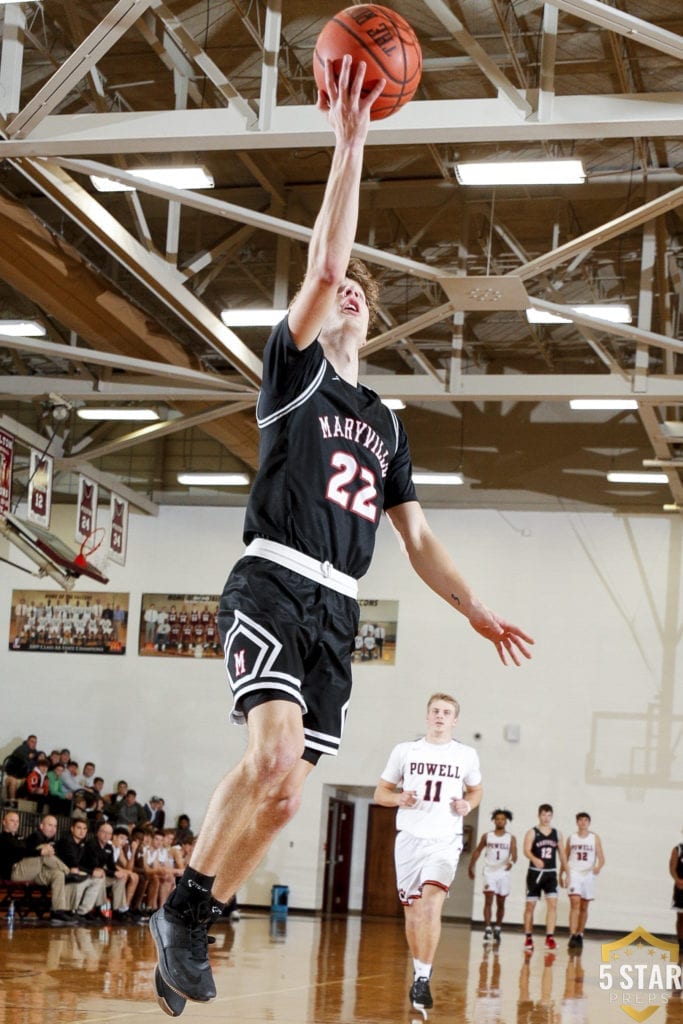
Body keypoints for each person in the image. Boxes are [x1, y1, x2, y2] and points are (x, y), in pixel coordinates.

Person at [149, 54, 533, 1017]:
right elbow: (325, 262)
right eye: (341, 287)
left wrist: (477, 609)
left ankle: (193, 906)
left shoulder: (390, 421)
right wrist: (350, 144)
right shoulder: (296, 373)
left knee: (285, 794)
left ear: (380, 317)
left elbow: (418, 540)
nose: (350, 288)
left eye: (364, 289)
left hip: (340, 609)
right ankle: (185, 912)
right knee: (272, 760)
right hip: (273, 579)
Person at [373, 693, 483, 1011]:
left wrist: (468, 804)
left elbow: (476, 790)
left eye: (446, 712)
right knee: (414, 911)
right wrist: (398, 799)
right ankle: (420, 969)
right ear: (427, 716)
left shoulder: (465, 754)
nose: (440, 716)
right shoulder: (405, 751)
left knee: (431, 904)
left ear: (455, 720)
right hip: (409, 839)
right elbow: (381, 792)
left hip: (445, 840)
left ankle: (422, 978)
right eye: (435, 711)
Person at [0, 810, 74, 923]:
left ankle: (58, 912)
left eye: (17, 821)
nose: (15, 823)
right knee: (42, 850)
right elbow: (22, 851)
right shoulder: (2, 838)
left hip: (29, 871)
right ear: (4, 822)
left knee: (57, 874)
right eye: (12, 820)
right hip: (14, 872)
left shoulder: (20, 837)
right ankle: (69, 873)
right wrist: (41, 852)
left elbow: (27, 851)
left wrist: (41, 851)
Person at [523, 804, 567, 953]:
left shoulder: (557, 833)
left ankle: (550, 937)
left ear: (552, 816)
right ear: (539, 815)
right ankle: (528, 937)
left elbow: (562, 854)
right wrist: (534, 858)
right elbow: (526, 850)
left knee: (552, 905)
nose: (546, 818)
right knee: (530, 906)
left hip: (550, 873)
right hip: (535, 874)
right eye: (543, 815)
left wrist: (567, 872)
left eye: (549, 815)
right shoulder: (532, 832)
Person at [468, 808, 517, 944]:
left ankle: (498, 928)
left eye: (502, 819)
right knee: (488, 900)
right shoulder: (487, 836)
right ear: (494, 821)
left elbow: (515, 854)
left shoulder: (510, 838)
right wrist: (470, 866)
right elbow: (477, 851)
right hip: (490, 872)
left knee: (501, 902)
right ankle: (488, 928)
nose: (500, 821)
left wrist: (511, 862)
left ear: (506, 821)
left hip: (503, 873)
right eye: (498, 819)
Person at [566, 812, 605, 950]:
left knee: (584, 906)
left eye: (585, 820)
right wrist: (562, 875)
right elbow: (565, 858)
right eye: (580, 820)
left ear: (589, 822)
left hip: (588, 874)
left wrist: (598, 867)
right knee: (574, 903)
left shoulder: (594, 838)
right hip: (574, 872)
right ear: (577, 822)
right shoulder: (572, 838)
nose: (583, 822)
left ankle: (580, 934)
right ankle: (572, 935)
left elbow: (602, 858)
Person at [3, 734, 39, 799]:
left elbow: (33, 766)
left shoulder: (35, 753)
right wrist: (28, 757)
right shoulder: (21, 749)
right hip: (10, 775)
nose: (34, 744)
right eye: (32, 741)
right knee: (13, 781)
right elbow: (18, 758)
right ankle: (12, 802)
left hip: (23, 777)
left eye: (35, 742)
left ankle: (22, 803)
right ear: (27, 741)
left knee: (31, 782)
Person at [669, 836, 683, 955]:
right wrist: (677, 879)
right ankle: (681, 943)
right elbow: (672, 868)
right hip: (681, 888)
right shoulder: (678, 849)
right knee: (681, 918)